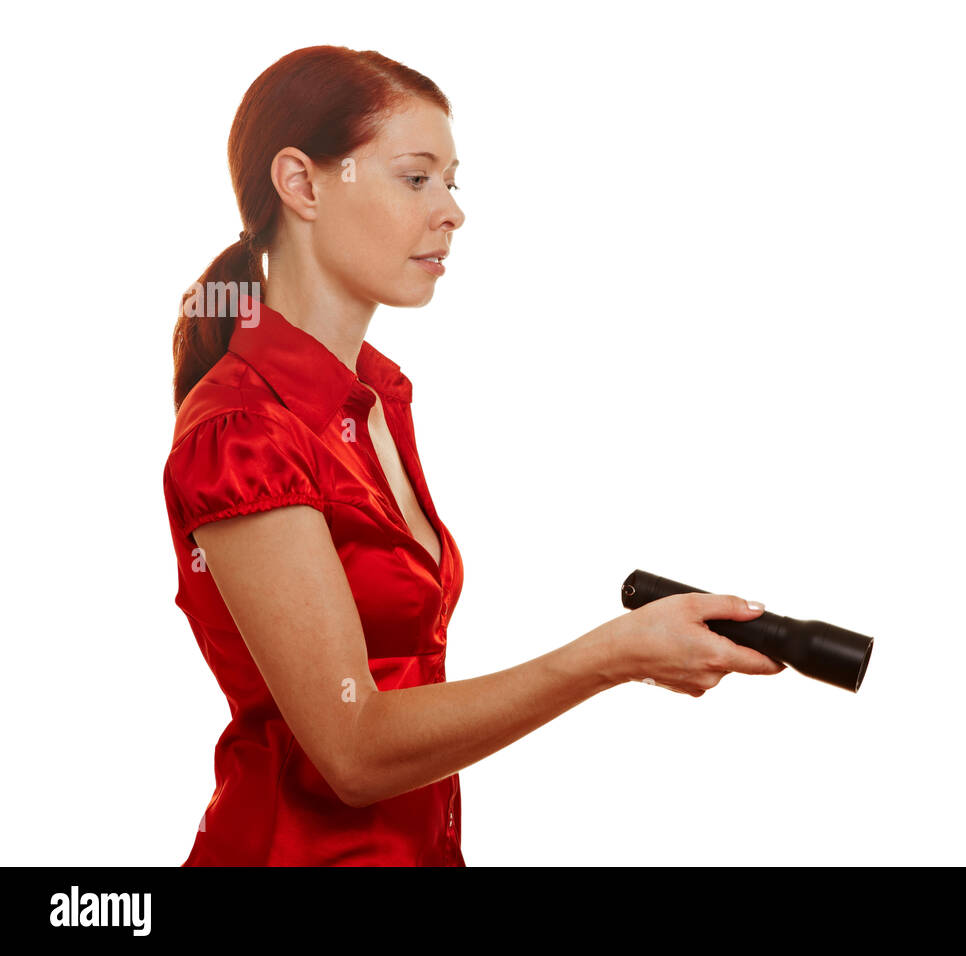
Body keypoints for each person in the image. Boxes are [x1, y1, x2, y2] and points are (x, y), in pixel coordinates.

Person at [164, 44, 785, 867]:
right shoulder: (243, 429)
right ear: (303, 184)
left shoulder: (378, 398)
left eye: (453, 181)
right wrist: (609, 657)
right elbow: (352, 752)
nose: (452, 211)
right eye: (417, 177)